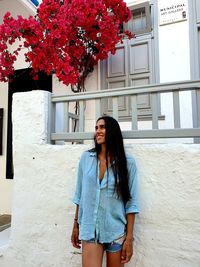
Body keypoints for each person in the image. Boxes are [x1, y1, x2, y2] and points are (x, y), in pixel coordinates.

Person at [71, 116, 139, 267]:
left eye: (102, 127)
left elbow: (132, 203)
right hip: (89, 230)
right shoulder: (86, 158)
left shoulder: (128, 163)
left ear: (112, 131)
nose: (98, 131)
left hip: (116, 232)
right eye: (96, 128)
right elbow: (80, 194)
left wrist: (129, 239)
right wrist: (76, 225)